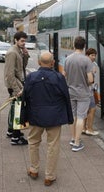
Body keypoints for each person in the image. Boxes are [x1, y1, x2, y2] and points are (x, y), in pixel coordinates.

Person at [24, 51, 73, 186]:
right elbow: (66, 98)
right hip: (55, 116)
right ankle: (49, 176)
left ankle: (34, 169)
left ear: (39, 62)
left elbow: (25, 98)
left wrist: (24, 117)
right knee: (53, 145)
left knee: (33, 142)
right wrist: (69, 117)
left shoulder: (31, 77)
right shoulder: (59, 78)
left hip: (35, 115)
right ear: (52, 63)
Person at [64, 36, 94, 152]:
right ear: (84, 46)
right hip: (83, 93)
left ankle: (72, 138)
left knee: (73, 116)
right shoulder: (87, 60)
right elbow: (90, 79)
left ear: (74, 45)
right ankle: (77, 143)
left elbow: (64, 74)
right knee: (81, 116)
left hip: (71, 91)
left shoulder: (68, 59)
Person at [4, 31, 29, 145]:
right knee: (17, 110)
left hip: (18, 83)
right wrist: (16, 90)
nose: (24, 43)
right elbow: (9, 74)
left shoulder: (18, 51)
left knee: (15, 108)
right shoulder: (12, 53)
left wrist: (25, 54)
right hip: (15, 85)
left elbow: (23, 67)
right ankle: (15, 137)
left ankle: (11, 131)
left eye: (25, 41)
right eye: (22, 41)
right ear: (16, 40)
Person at [83, 48, 99, 136]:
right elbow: (89, 81)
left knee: (86, 110)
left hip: (88, 90)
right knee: (92, 109)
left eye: (95, 55)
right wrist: (92, 75)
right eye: (92, 55)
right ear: (87, 55)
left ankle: (83, 128)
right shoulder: (88, 65)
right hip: (88, 91)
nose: (94, 57)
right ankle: (90, 129)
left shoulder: (91, 64)